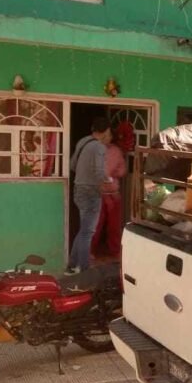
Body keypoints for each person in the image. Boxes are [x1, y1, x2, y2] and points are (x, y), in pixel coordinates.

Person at [66, 117, 112, 275]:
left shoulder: (83, 141)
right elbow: (99, 172)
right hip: (91, 192)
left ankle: (72, 266)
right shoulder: (99, 147)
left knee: (84, 230)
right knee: (87, 232)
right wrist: (108, 180)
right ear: (105, 131)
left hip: (78, 189)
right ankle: (85, 270)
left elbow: (72, 165)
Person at [91, 124, 128, 262]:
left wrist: (114, 174)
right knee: (95, 225)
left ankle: (115, 252)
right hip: (96, 194)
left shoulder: (116, 151)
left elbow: (123, 169)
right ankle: (89, 251)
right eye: (104, 135)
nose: (107, 138)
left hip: (113, 194)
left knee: (114, 226)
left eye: (109, 135)